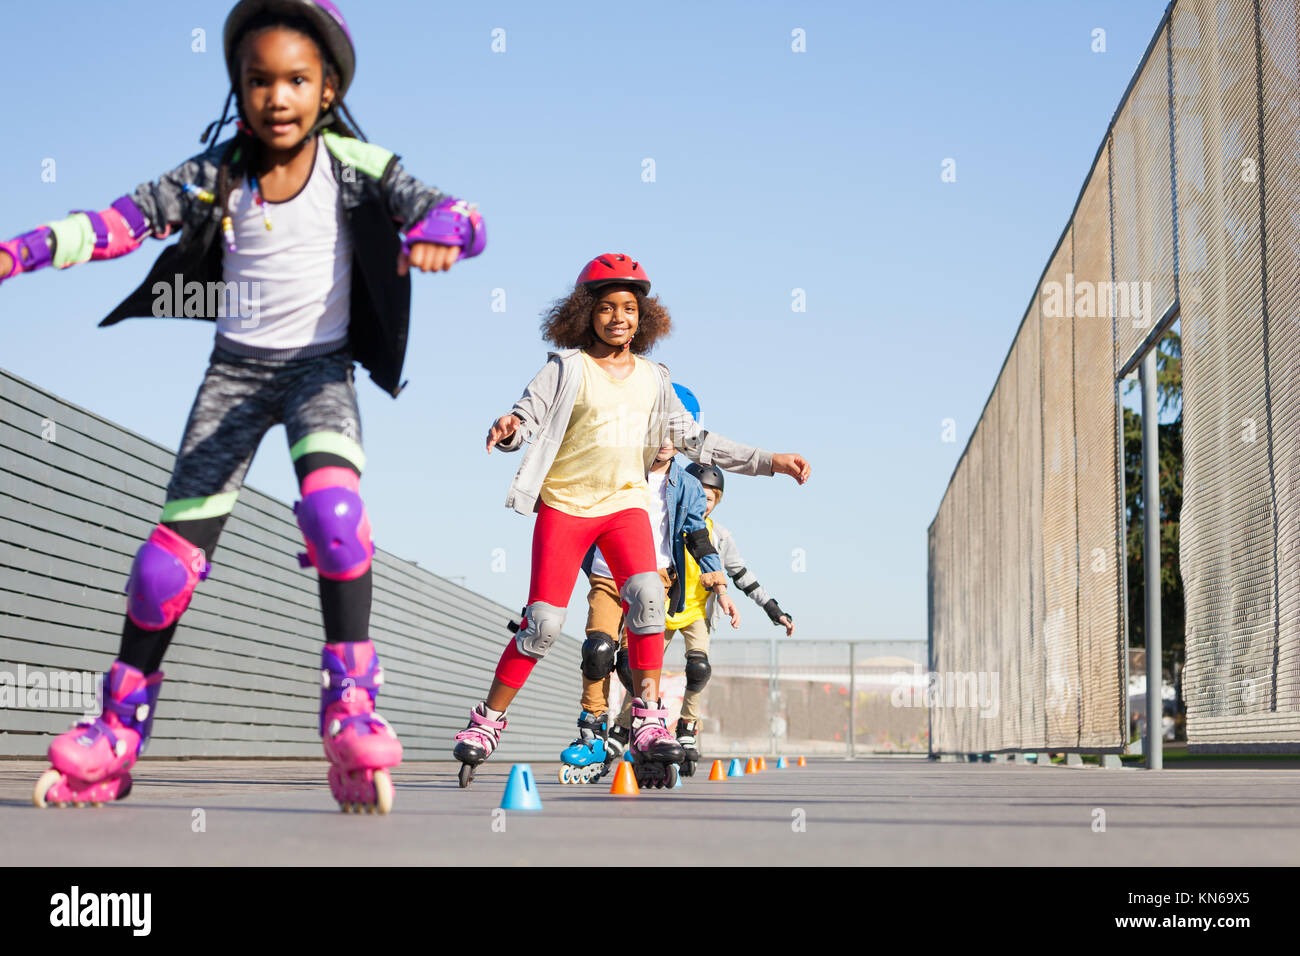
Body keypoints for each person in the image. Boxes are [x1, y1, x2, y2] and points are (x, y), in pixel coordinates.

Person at [1, 0, 485, 813]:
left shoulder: (358, 164)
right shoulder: (214, 173)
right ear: (240, 87)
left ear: (327, 89)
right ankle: (117, 730)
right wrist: (24, 250)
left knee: (336, 517)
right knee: (163, 569)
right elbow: (118, 222)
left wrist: (440, 231)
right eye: (259, 80)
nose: (277, 96)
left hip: (320, 374)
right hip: (233, 376)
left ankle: (351, 706)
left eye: (297, 79)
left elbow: (463, 215)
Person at [452, 252, 810, 788]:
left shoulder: (652, 379)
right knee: (543, 625)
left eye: (629, 309)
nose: (619, 318)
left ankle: (647, 716)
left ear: (644, 318)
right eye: (606, 308)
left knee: (647, 595)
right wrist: (509, 427)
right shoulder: (565, 369)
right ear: (585, 313)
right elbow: (526, 416)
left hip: (625, 506)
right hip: (565, 508)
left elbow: (697, 441)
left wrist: (768, 461)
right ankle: (488, 720)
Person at [557, 385, 737, 784]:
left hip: (656, 577)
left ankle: (645, 728)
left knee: (631, 665)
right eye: (656, 431)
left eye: (675, 435)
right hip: (607, 572)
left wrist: (715, 574)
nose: (664, 443)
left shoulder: (688, 485)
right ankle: (592, 727)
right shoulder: (617, 467)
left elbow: (696, 532)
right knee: (598, 650)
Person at [609, 461, 796, 770]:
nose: (703, 504)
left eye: (709, 499)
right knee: (641, 673)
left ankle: (687, 726)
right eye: (699, 497)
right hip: (664, 609)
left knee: (699, 668)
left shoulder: (720, 536)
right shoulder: (664, 526)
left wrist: (773, 610)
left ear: (717, 501)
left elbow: (741, 575)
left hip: (698, 613)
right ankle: (624, 725)